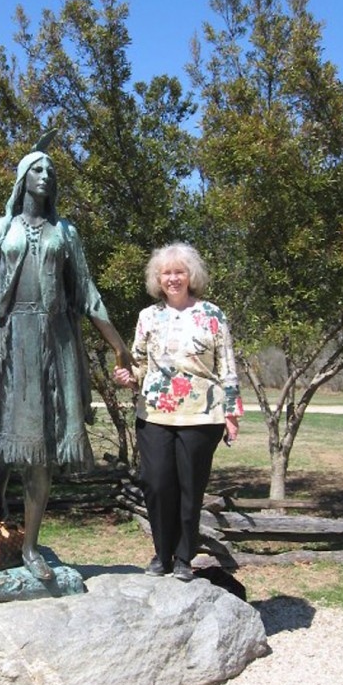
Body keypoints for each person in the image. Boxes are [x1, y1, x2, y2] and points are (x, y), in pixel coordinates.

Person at [0, 143, 131, 580]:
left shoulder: (67, 234)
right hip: (6, 341)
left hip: (53, 343)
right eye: (37, 169)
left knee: (41, 447)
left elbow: (88, 294)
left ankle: (32, 547)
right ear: (22, 178)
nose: (45, 175)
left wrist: (118, 344)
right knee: (0, 440)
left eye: (50, 171)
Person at [114, 242, 243, 582]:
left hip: (203, 414)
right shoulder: (148, 317)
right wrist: (129, 376)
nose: (173, 278)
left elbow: (227, 365)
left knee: (190, 487)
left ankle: (184, 558)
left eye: (179, 272)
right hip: (155, 412)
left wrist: (232, 412)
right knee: (156, 484)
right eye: (166, 273)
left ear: (191, 276)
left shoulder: (213, 315)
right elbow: (139, 365)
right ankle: (162, 553)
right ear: (158, 279)